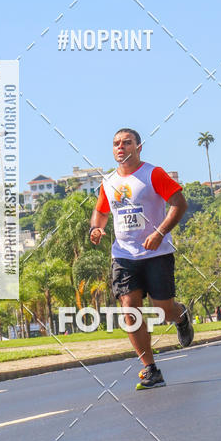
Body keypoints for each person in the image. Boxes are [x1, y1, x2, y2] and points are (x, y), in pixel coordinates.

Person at [89, 128, 193, 390]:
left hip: (156, 253)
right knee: (129, 309)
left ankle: (180, 316)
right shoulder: (109, 182)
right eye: (116, 144)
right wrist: (96, 229)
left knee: (162, 310)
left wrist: (160, 232)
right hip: (124, 255)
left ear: (139, 147)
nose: (120, 147)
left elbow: (179, 203)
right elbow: (101, 213)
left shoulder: (152, 174)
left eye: (126, 142)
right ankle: (150, 369)